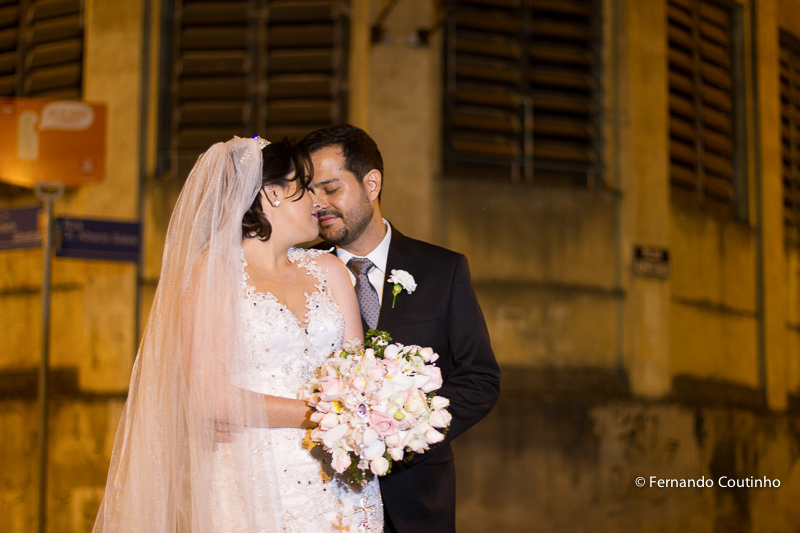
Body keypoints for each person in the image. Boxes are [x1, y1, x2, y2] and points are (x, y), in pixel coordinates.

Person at [92, 136, 383, 533]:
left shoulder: (329, 270)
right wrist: (326, 414)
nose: (318, 202)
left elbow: (359, 373)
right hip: (256, 478)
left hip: (342, 479)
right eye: (306, 188)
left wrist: (366, 408)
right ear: (272, 193)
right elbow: (209, 396)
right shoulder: (214, 274)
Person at [302, 125, 501, 533]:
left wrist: (406, 431)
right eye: (309, 192)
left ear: (371, 183)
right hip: (319, 495)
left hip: (417, 503)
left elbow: (480, 378)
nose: (317, 205)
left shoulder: (442, 270)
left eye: (330, 188)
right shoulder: (298, 274)